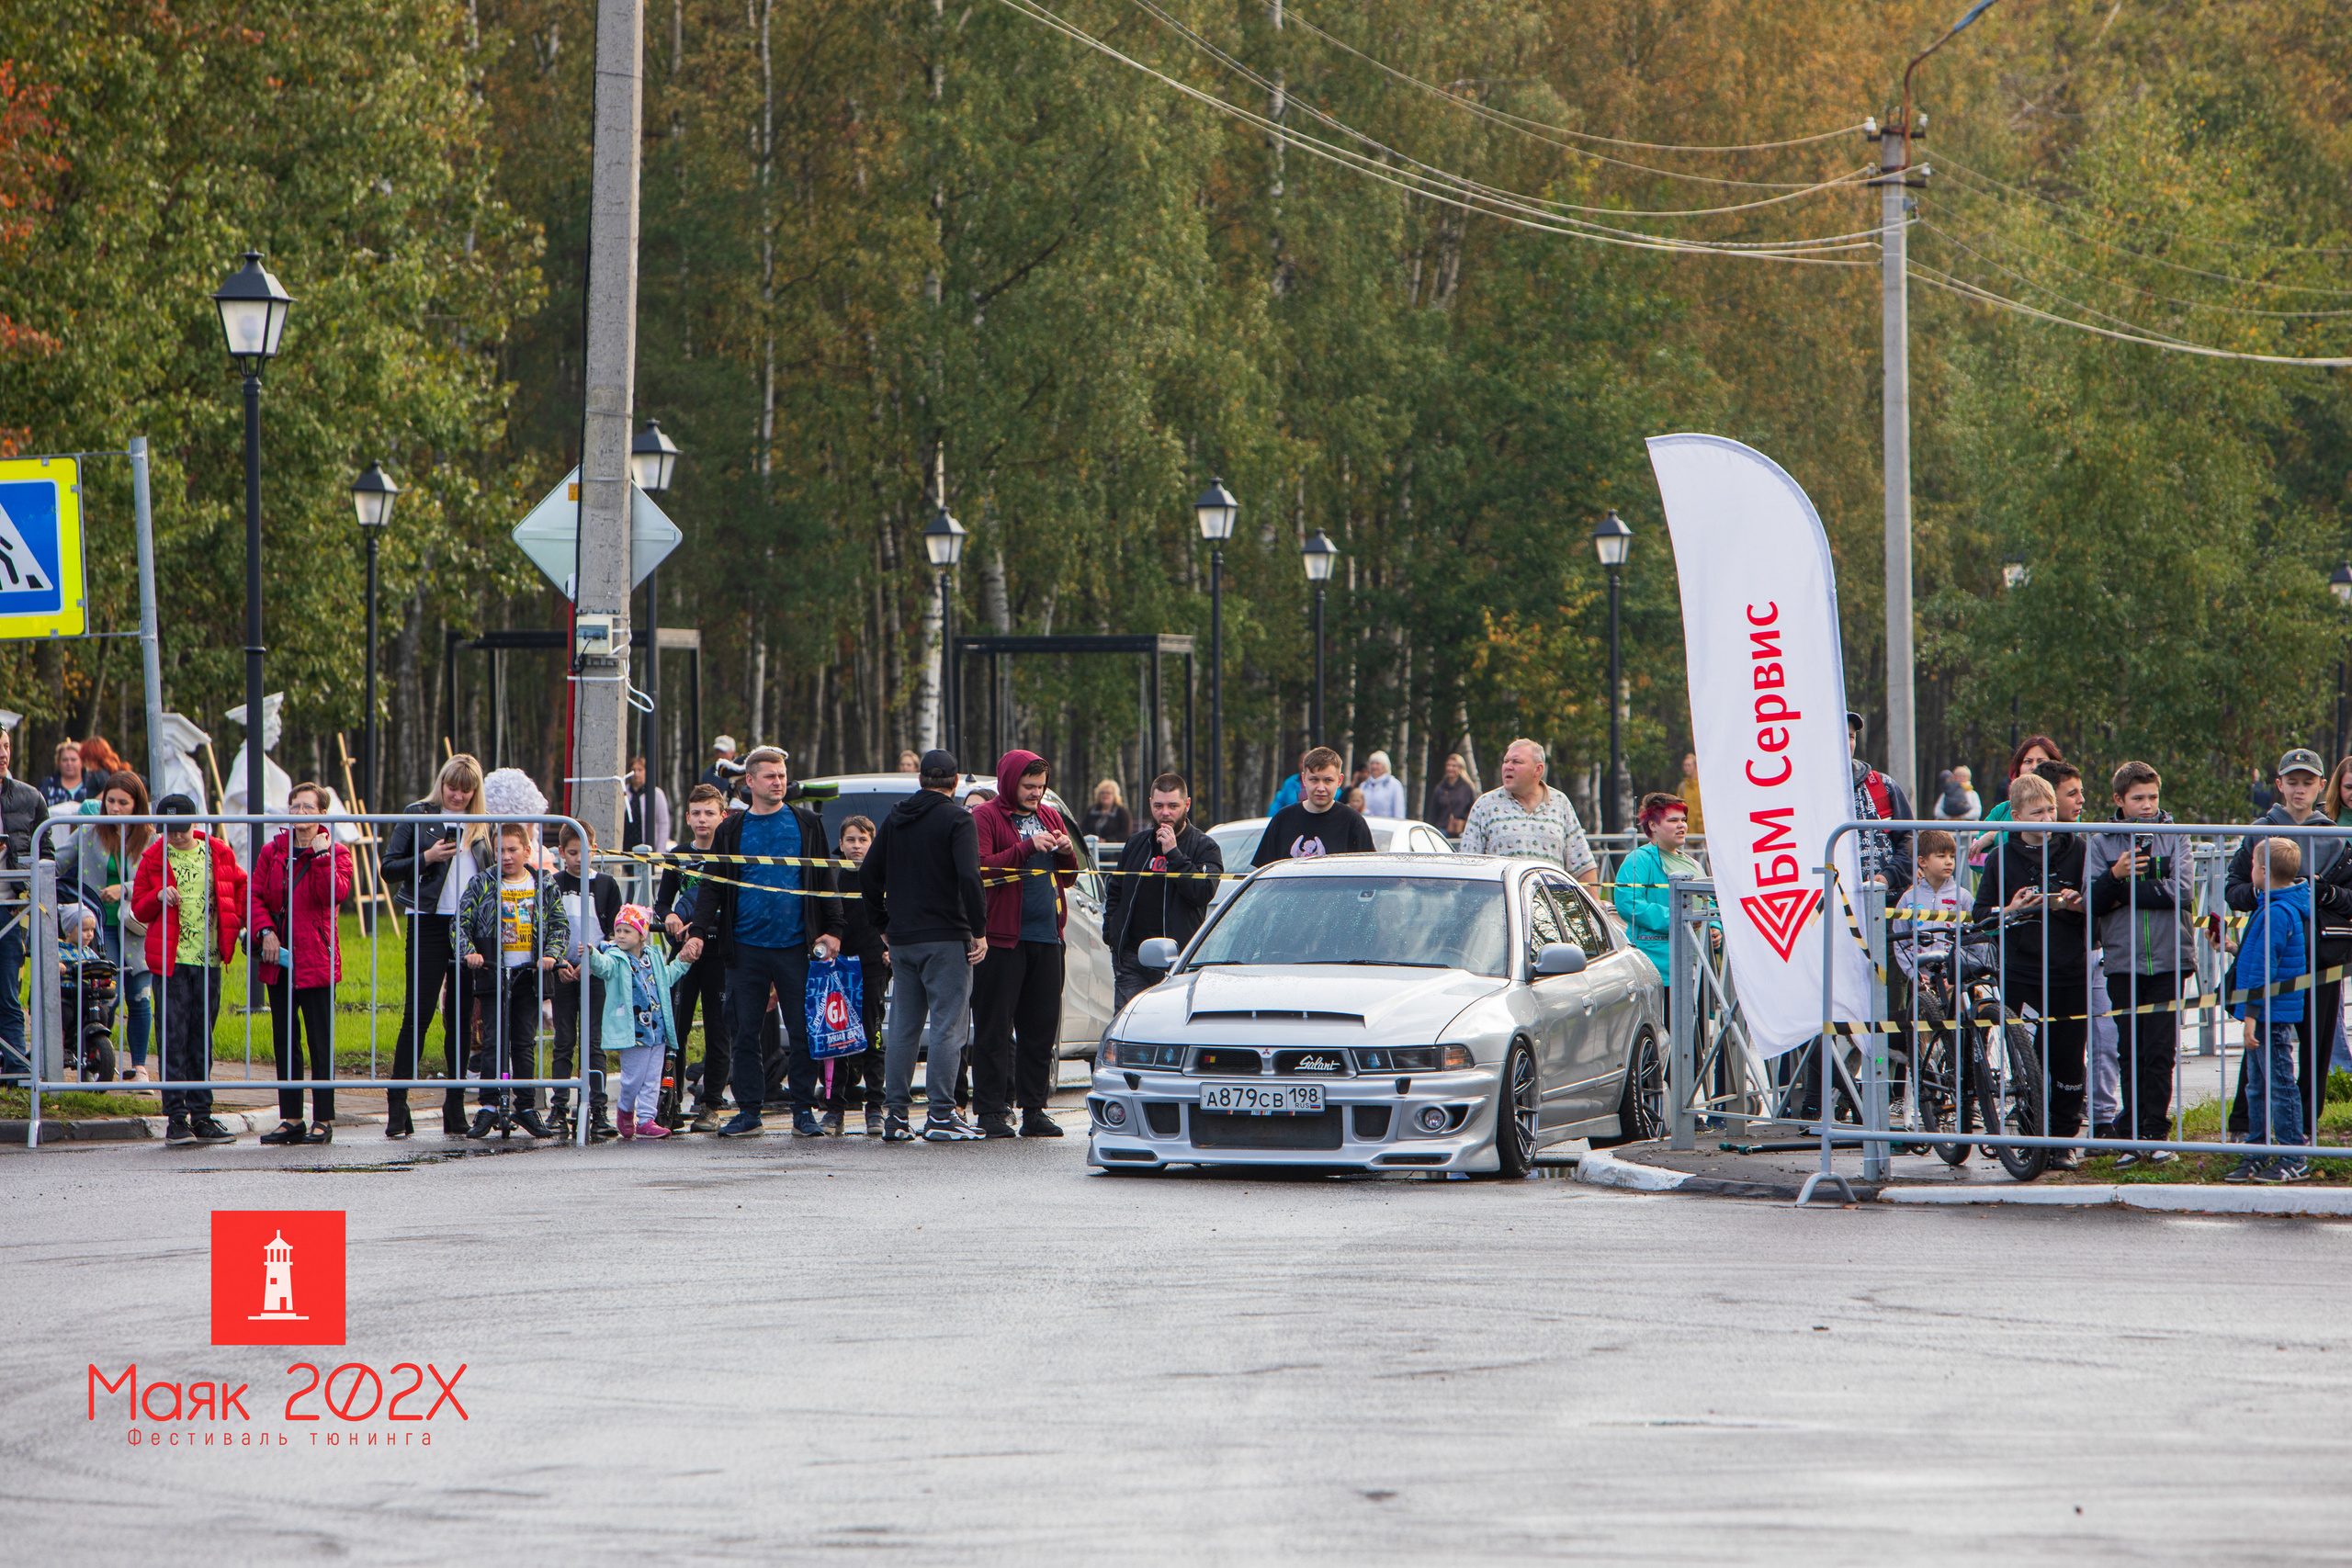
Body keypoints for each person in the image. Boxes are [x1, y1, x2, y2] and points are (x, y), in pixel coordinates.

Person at [685, 745, 845, 1139]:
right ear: (751, 782)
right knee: (743, 1031)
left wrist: (835, 929)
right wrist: (697, 931)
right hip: (745, 947)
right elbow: (712, 886)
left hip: (796, 947)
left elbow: (825, 880)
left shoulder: (807, 823)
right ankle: (749, 1111)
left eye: (782, 775)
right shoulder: (731, 829)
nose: (779, 782)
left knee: (803, 1032)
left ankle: (803, 1112)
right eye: (771, 776)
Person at [859, 748, 989, 1143]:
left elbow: (867, 874)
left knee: (903, 1027)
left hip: (902, 940)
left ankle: (895, 1116)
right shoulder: (958, 819)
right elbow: (969, 876)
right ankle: (941, 1115)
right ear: (954, 783)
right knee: (949, 1027)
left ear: (920, 780)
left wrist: (882, 923)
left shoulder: (896, 818)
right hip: (947, 937)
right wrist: (979, 929)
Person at [1969, 772, 2090, 1168]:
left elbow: (2099, 905)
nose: (2047, 819)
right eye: (2037, 812)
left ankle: (2064, 1139)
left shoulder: (2078, 849)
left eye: (2051, 809)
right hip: (2021, 967)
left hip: (2069, 966)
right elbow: (1980, 916)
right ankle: (2029, 1130)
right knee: (2025, 1056)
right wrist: (2012, 909)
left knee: (2070, 1056)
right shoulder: (2002, 858)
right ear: (2017, 816)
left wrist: (2075, 903)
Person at [2224, 747, 2335, 1148]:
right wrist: (2269, 897)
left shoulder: (2335, 833)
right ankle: (2246, 1125)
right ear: (2279, 785)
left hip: (2322, 957)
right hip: (2275, 958)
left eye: (2308, 782)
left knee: (2316, 1042)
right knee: (2259, 1041)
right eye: (2292, 782)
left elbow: (2347, 896)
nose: (2299, 790)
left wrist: (2323, 894)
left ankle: (2306, 1125)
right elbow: (2233, 888)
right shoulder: (2260, 830)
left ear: (2322, 785)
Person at [2086, 761, 2194, 1167]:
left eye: (2153, 797)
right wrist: (2115, 874)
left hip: (2170, 959)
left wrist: (2121, 889)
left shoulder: (2175, 835)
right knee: (2129, 1049)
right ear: (2119, 800)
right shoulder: (2101, 841)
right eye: (2138, 799)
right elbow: (2093, 902)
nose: (2147, 806)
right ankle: (2132, 1134)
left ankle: (2155, 1131)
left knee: (2160, 1050)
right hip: (2122, 962)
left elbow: (2180, 892)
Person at [971, 749, 1081, 1138]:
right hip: (1002, 939)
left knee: (1040, 1029)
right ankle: (990, 1111)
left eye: (1041, 786)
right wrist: (1026, 847)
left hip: (1047, 936)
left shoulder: (1050, 814)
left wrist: (1067, 854)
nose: (1036, 793)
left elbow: (1067, 878)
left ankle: (1034, 1110)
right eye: (1029, 786)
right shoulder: (985, 817)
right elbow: (981, 869)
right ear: (1009, 782)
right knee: (994, 1028)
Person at [381, 755, 491, 1139]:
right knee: (419, 1013)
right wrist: (427, 858)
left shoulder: (482, 825)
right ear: (441, 783)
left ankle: (455, 1105)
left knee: (460, 1018)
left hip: (467, 929)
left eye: (466, 789)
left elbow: (490, 878)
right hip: (427, 922)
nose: (458, 795)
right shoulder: (419, 814)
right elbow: (389, 867)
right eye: (452, 787)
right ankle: (397, 1104)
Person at [131, 794, 247, 1147]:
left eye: (181, 830)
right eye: (169, 831)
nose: (176, 837)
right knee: (173, 1036)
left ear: (194, 825)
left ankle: (202, 1114)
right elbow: (139, 907)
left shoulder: (218, 851)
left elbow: (239, 886)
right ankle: (176, 1117)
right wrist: (157, 897)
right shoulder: (153, 856)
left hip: (208, 959)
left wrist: (233, 920)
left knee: (202, 1036)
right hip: (171, 962)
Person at [249, 783, 354, 1146]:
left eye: (308, 808)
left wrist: (321, 857)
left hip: (316, 957)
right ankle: (291, 1117)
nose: (300, 815)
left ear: (322, 814)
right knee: (285, 1038)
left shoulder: (338, 852)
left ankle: (323, 1119)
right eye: (295, 808)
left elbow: (335, 894)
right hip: (279, 958)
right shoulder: (272, 851)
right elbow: (256, 895)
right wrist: (265, 931)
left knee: (319, 1041)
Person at [457, 821, 567, 1139]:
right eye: (500, 850)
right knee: (493, 1041)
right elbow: (460, 924)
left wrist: (551, 953)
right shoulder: (481, 884)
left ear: (527, 851)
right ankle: (489, 1105)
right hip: (493, 970)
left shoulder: (543, 886)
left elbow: (559, 926)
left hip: (528, 975)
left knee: (523, 1041)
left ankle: (526, 1105)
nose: (506, 856)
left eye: (513, 850)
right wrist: (470, 952)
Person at [54, 772, 153, 1080]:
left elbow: (159, 879)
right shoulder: (90, 832)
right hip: (96, 927)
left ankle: (139, 1067)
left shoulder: (150, 837)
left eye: (124, 802)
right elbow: (58, 860)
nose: (115, 808)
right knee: (103, 992)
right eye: (110, 800)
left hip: (137, 927)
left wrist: (124, 888)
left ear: (137, 805)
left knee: (140, 995)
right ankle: (96, 1060)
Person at [2227, 837, 2310, 1184]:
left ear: (2262, 870)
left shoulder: (2277, 911)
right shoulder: (2274, 906)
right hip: (2265, 1013)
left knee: (2278, 1085)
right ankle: (2257, 1150)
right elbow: (2260, 956)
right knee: (2257, 1086)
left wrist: (2249, 1016)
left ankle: (2294, 1155)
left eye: (2251, 867)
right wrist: (2234, 947)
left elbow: (2265, 969)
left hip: (2268, 1016)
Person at [1104, 773, 1225, 1009]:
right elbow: (1116, 890)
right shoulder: (1136, 844)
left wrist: (1173, 853)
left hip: (1177, 959)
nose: (1165, 813)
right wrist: (1112, 932)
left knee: (1168, 1026)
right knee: (1129, 1025)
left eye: (1173, 806)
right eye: (1158, 806)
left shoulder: (1205, 846)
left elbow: (1202, 892)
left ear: (1187, 805)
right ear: (1150, 803)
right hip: (1132, 957)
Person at [657, 784, 732, 1130]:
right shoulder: (678, 855)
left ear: (723, 815)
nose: (703, 820)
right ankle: (670, 1100)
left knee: (719, 1028)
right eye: (697, 813)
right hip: (684, 954)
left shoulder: (731, 853)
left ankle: (711, 1104)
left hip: (720, 952)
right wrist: (669, 916)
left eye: (710, 813)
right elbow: (662, 902)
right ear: (687, 818)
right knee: (676, 1028)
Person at [585, 905, 684, 1141]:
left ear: (642, 935)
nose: (620, 935)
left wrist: (683, 962)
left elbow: (666, 978)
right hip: (633, 1031)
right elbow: (603, 969)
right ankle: (625, 1109)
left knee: (652, 1078)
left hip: (657, 1029)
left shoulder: (653, 957)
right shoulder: (614, 957)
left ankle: (647, 1120)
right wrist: (591, 955)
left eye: (627, 931)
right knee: (633, 1078)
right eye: (617, 930)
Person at [549, 821, 623, 1141]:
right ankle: (559, 1108)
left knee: (594, 1042)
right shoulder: (553, 884)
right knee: (564, 1040)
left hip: (596, 972)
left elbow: (616, 933)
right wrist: (558, 964)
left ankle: (597, 1108)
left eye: (585, 851)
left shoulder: (607, 884)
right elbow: (549, 926)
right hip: (564, 972)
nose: (580, 858)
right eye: (573, 852)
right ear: (563, 854)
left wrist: (596, 959)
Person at [1456, 739, 1597, 886]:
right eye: (1506, 761)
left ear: (1538, 770)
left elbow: (1582, 864)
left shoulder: (1560, 803)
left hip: (1548, 905)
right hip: (1502, 905)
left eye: (1516, 762)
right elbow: (1468, 867)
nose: (1507, 767)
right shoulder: (1485, 805)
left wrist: (1594, 902)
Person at [827, 814, 890, 1135]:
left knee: (873, 1038)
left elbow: (895, 915)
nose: (856, 845)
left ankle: (875, 1106)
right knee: (836, 1040)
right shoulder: (831, 875)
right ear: (841, 844)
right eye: (850, 839)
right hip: (838, 967)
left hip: (873, 966)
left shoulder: (883, 875)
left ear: (872, 843)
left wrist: (891, 947)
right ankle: (834, 1108)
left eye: (863, 840)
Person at [0, 725, 51, 1073]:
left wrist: (27, 887)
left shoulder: (30, 797)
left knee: (7, 989)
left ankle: (17, 1067)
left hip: (9, 909)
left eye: (5, 746)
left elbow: (46, 853)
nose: (2, 753)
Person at [1613, 794, 1703, 987]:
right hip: (1659, 969)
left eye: (1683, 820)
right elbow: (1628, 904)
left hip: (1701, 965)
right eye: (1673, 820)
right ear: (1653, 825)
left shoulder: (1693, 863)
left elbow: (1708, 904)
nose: (1682, 825)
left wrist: (1715, 929)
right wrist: (1678, 918)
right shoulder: (1639, 859)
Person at [1253, 746, 1375, 866]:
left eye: (1328, 780)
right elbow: (1265, 874)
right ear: (1303, 779)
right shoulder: (1282, 819)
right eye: (1314, 780)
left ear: (1339, 781)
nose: (1321, 788)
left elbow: (1369, 873)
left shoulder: (1353, 822)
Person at [1847, 713, 1915, 897]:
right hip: (1829, 907)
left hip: (1885, 903)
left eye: (1851, 737)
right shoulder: (1807, 793)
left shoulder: (1883, 785)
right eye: (1840, 737)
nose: (1847, 743)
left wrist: (1889, 876)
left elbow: (1910, 839)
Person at [1891, 829, 1966, 987]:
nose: (1949, 861)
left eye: (1952, 856)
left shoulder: (1963, 897)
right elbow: (1900, 942)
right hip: (1921, 982)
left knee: (1957, 1012)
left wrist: (1958, 976)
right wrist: (1912, 972)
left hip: (1955, 981)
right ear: (1922, 861)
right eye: (1941, 856)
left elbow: (1972, 940)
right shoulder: (1908, 898)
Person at [621, 754, 671, 888]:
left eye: (640, 769)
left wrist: (660, 850)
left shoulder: (655, 794)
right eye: (634, 770)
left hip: (648, 846)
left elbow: (663, 823)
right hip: (627, 847)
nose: (636, 773)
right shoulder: (624, 793)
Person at [1424, 752, 1476, 838]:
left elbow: (1473, 809)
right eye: (1448, 765)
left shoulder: (1467, 787)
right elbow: (1433, 812)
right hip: (1443, 830)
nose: (1450, 768)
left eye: (1454, 766)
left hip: (1462, 831)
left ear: (1460, 768)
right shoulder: (1440, 787)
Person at [1080, 780, 1131, 844]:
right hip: (1091, 846)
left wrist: (1106, 841)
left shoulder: (1122, 813)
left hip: (1113, 849)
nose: (1105, 795)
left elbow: (1124, 834)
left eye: (1108, 793)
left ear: (1114, 795)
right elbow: (1083, 829)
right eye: (1102, 793)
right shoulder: (1091, 811)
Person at [74, 735, 124, 799]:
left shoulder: (100, 774)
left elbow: (109, 792)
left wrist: (90, 804)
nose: (85, 761)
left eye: (86, 758)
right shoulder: (107, 771)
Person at [1360, 750, 1406, 819]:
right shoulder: (1363, 786)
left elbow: (1399, 812)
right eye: (1372, 763)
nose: (1374, 766)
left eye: (1378, 764)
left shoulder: (1394, 785)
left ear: (1385, 766)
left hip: (1386, 827)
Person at [39, 739, 84, 807]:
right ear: (58, 762)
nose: (69, 763)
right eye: (65, 760)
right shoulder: (47, 785)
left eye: (73, 760)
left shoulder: (92, 786)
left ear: (82, 761)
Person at [1675, 751, 1704, 835]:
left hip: (1703, 832)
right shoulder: (1682, 787)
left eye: (1689, 765)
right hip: (1687, 831)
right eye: (1684, 765)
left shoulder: (1702, 786)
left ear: (1695, 766)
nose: (1686, 768)